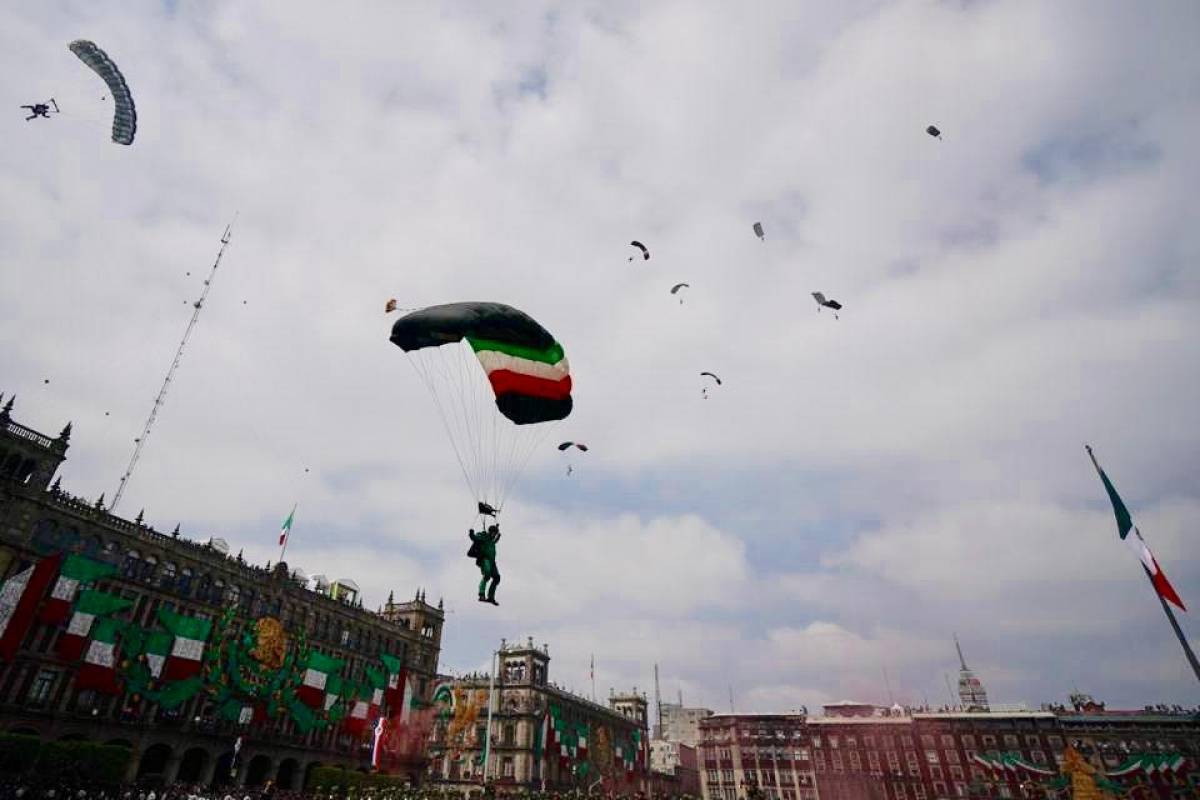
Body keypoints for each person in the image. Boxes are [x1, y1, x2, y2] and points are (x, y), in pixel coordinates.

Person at [468, 524, 501, 605]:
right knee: (487, 574)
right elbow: (475, 538)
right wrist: (471, 533)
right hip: (485, 559)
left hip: (492, 562)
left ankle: (491, 597)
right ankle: (481, 594)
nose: (494, 535)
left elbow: (495, 540)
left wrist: (498, 533)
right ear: (490, 532)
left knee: (497, 578)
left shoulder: (492, 541)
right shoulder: (484, 537)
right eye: (493, 533)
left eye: (495, 534)